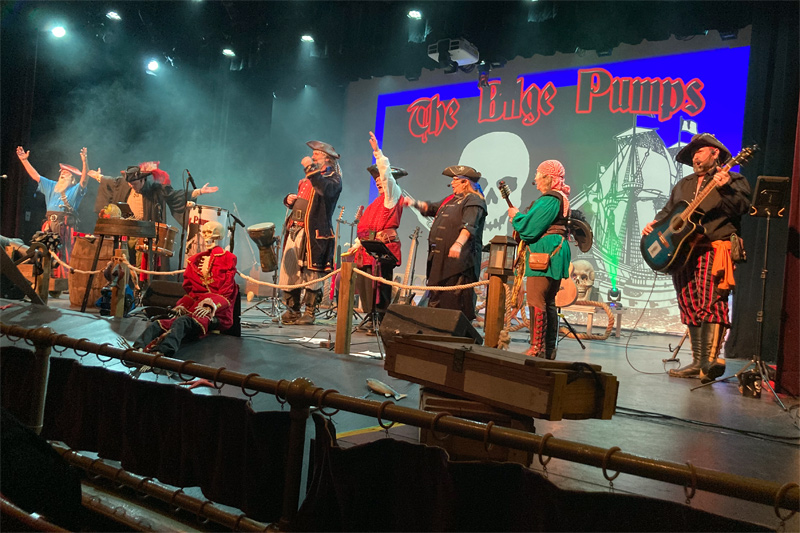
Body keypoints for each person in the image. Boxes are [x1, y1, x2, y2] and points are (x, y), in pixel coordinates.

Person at [642, 133, 751, 382]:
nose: (695, 157)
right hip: (683, 251)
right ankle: (698, 362)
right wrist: (655, 225)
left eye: (699, 151)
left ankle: (710, 362)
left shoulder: (733, 179)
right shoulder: (685, 184)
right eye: (693, 153)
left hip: (713, 247)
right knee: (689, 303)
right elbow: (669, 212)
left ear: (715, 152)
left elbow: (741, 207)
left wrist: (725, 188)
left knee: (712, 301)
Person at [132, 221, 237, 358]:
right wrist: (181, 305)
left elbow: (226, 294)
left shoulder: (227, 259)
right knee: (158, 324)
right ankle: (137, 348)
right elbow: (193, 292)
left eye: (210, 233)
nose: (206, 237)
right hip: (194, 309)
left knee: (181, 322)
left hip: (215, 314)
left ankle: (164, 350)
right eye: (204, 233)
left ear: (220, 235)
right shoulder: (195, 261)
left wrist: (210, 305)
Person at [92, 164, 217, 271]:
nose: (131, 186)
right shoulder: (126, 185)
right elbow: (112, 182)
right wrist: (98, 176)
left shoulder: (154, 190)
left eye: (134, 184)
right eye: (129, 183)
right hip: (127, 231)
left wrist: (199, 191)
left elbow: (174, 195)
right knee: (124, 260)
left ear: (142, 180)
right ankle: (125, 285)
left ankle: (140, 287)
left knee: (142, 264)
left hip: (144, 233)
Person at [508, 160, 572, 359]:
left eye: (537, 175)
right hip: (554, 251)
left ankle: (537, 348)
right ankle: (548, 348)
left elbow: (530, 228)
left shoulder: (550, 199)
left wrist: (516, 216)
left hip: (545, 253)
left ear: (547, 178)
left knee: (536, 299)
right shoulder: (558, 198)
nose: (535, 180)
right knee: (548, 301)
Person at [404, 165, 486, 320]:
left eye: (455, 180)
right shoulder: (451, 199)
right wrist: (413, 203)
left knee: (453, 298)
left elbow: (469, 226)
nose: (452, 183)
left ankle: (453, 327)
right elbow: (431, 208)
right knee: (436, 295)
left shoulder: (474, 200)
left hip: (460, 263)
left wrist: (458, 244)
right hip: (440, 259)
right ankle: (435, 325)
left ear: (465, 182)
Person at [344, 131, 407, 334]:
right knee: (367, 285)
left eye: (381, 179)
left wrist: (377, 152)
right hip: (368, 250)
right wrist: (355, 246)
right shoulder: (375, 204)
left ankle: (380, 318)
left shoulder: (392, 196)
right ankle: (371, 316)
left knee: (380, 287)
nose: (379, 181)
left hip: (383, 250)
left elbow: (387, 176)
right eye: (376, 180)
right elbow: (365, 229)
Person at [279, 140, 343, 325]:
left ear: (327, 158)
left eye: (317, 154)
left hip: (314, 233)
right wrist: (290, 200)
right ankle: (292, 310)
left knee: (312, 273)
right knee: (290, 271)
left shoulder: (332, 179)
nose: (313, 156)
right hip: (295, 228)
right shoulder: (309, 178)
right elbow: (305, 201)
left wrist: (309, 168)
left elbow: (324, 190)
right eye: (313, 154)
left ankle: (309, 312)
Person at [16, 145, 89, 277]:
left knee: (65, 254)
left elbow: (84, 180)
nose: (63, 174)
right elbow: (35, 176)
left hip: (65, 226)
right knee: (45, 252)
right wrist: (24, 160)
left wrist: (84, 162)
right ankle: (44, 279)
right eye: (61, 172)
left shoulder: (75, 190)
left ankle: (63, 280)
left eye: (67, 173)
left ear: (73, 179)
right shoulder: (51, 186)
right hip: (49, 225)